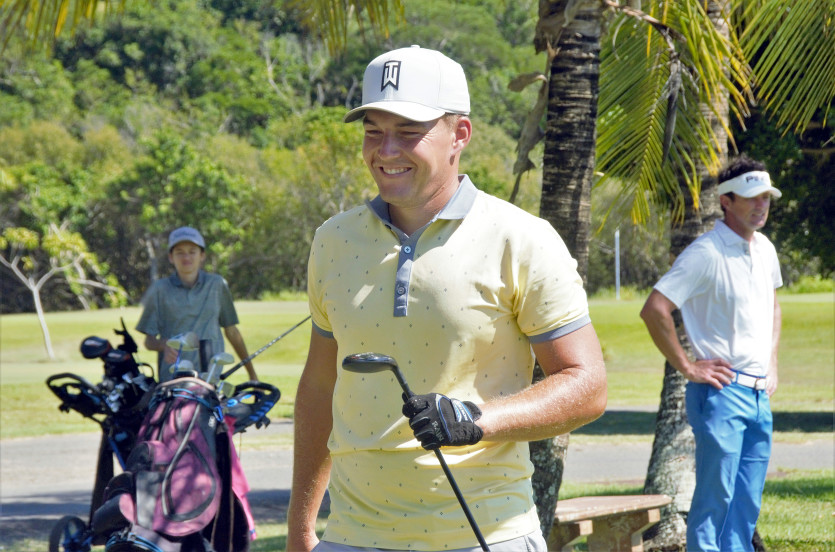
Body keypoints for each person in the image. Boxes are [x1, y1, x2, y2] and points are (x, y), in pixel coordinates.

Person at [287, 45, 607, 552]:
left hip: (488, 536)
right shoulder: (333, 240)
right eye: (373, 131)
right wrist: (301, 527)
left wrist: (477, 420)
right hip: (351, 538)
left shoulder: (520, 238)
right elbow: (321, 385)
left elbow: (587, 385)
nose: (385, 150)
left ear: (460, 134)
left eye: (408, 132)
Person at [640, 155, 782, 552]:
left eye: (766, 197)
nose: (761, 205)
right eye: (751, 198)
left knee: (746, 501)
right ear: (726, 201)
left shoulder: (765, 249)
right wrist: (687, 367)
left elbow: (773, 307)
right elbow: (655, 309)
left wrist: (771, 362)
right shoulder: (705, 253)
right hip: (720, 393)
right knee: (715, 499)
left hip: (759, 396)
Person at [136, 226, 257, 382]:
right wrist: (164, 345)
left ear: (202, 255)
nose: (186, 257)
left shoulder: (217, 285)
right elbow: (149, 341)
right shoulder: (160, 289)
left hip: (209, 379)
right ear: (171, 257)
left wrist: (252, 375)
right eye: (180, 252)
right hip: (173, 380)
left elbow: (232, 331)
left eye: (192, 251)